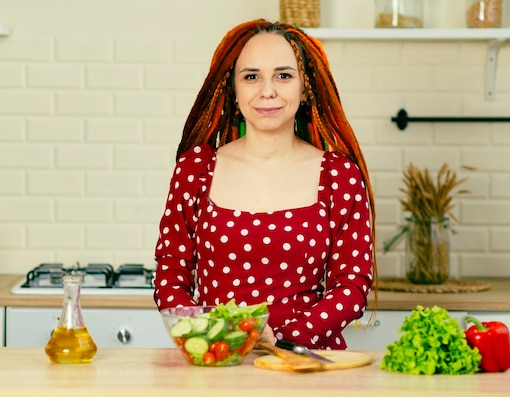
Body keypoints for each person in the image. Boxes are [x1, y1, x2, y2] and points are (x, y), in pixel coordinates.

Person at [153, 18, 377, 350]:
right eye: (251, 76)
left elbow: (352, 286)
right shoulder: (195, 170)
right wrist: (210, 336)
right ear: (234, 89)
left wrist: (286, 339)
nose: (267, 90)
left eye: (283, 75)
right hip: (219, 361)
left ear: (305, 88)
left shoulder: (339, 176)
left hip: (307, 362)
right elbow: (171, 273)